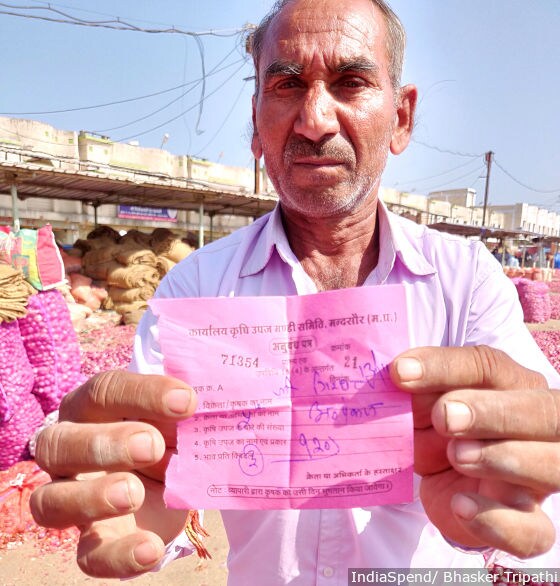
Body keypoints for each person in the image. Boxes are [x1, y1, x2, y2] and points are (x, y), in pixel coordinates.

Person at [30, 0, 560, 583]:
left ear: (402, 118)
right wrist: (134, 500)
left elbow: (535, 454)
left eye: (351, 82)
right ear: (257, 123)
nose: (315, 121)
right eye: (287, 85)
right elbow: (153, 468)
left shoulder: (465, 280)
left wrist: (506, 492)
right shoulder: (197, 287)